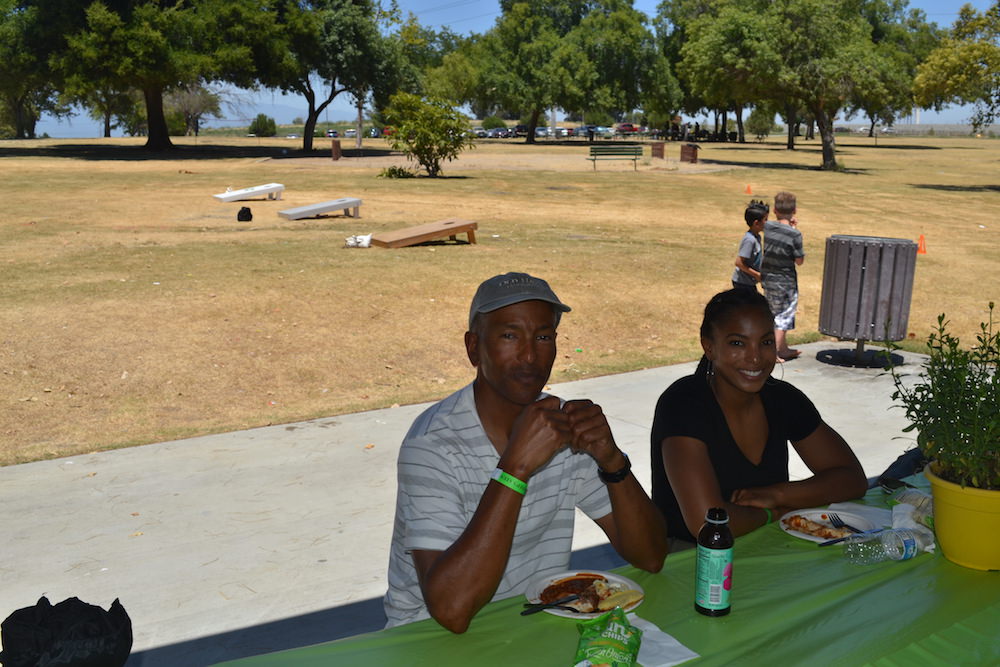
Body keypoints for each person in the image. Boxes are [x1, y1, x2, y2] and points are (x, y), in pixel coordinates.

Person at [384, 272, 668, 633]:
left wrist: (612, 462)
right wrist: (514, 469)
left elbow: (651, 556)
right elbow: (452, 611)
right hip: (427, 638)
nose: (530, 355)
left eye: (543, 336)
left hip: (528, 626)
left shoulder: (563, 426)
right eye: (509, 335)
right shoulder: (433, 445)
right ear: (473, 347)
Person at [649, 289, 867, 547]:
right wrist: (773, 514)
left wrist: (776, 494)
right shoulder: (683, 403)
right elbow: (705, 524)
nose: (755, 357)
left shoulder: (782, 398)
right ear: (709, 347)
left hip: (769, 546)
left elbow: (852, 479)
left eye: (765, 342)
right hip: (690, 557)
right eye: (738, 343)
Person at [761, 191, 805, 361]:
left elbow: (781, 235)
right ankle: (774, 352)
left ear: (774, 210)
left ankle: (783, 348)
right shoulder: (795, 235)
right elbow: (799, 260)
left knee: (773, 312)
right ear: (795, 210)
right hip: (786, 281)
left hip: (768, 278)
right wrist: (794, 230)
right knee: (784, 315)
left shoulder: (768, 227)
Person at [731, 200, 769, 290]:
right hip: (742, 283)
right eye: (765, 220)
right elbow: (739, 263)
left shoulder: (757, 237)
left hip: (748, 283)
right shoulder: (749, 240)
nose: (767, 223)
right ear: (756, 223)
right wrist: (757, 275)